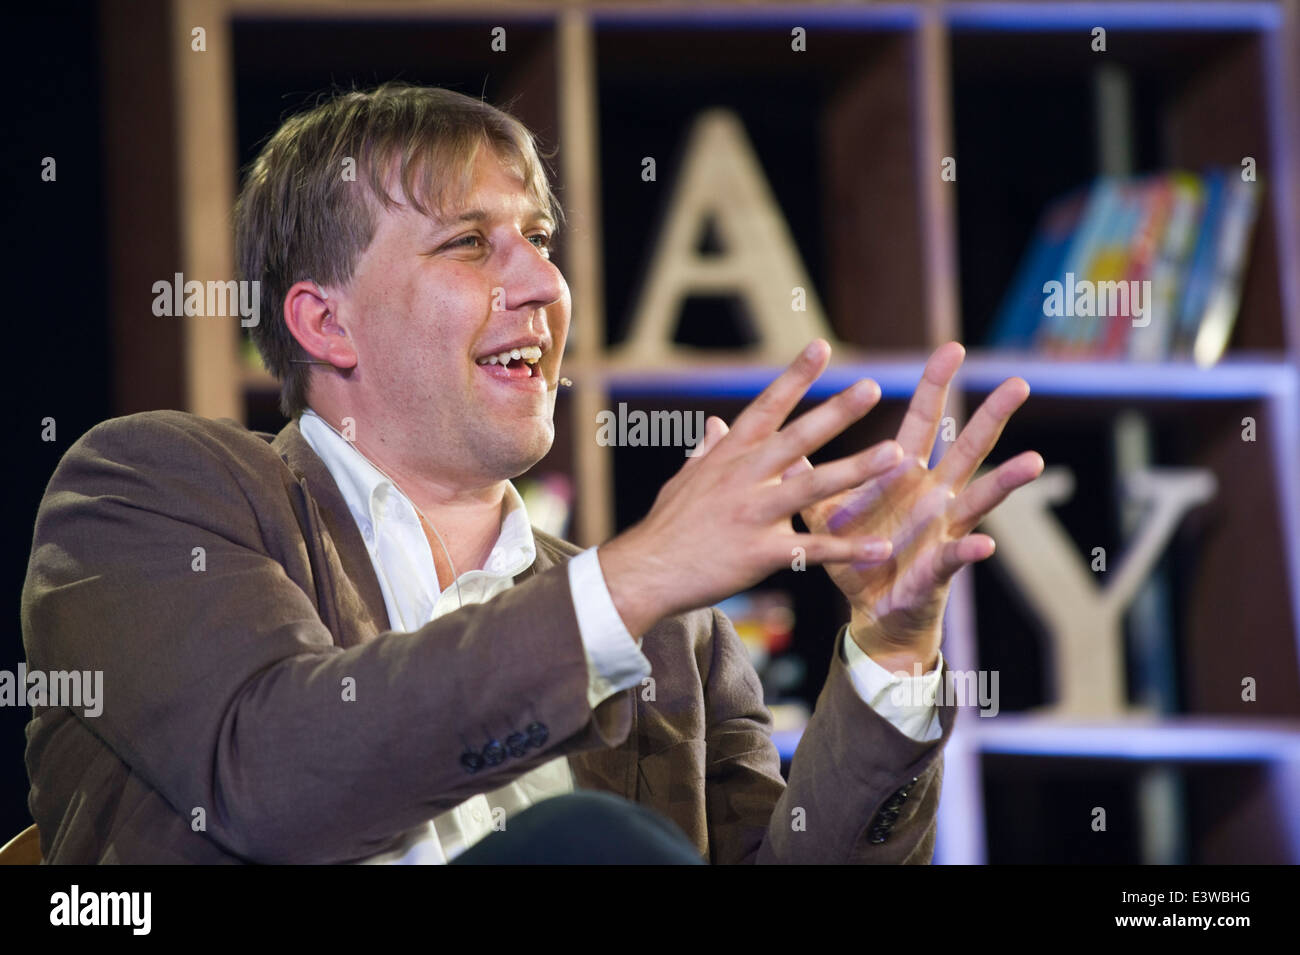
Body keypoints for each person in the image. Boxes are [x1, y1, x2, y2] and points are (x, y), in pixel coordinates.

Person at [20, 83, 1043, 864]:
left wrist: (891, 652)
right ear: (324, 321)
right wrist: (626, 583)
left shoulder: (673, 636)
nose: (544, 284)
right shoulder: (149, 488)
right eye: (470, 245)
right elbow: (268, 775)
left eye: (540, 241)